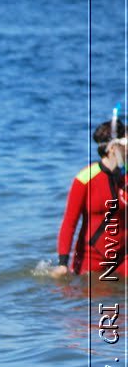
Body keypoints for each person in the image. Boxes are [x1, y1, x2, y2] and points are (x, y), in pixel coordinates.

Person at [57, 118, 128, 281]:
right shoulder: (85, 179)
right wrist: (62, 263)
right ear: (113, 148)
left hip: (124, 257)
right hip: (91, 259)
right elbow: (69, 222)